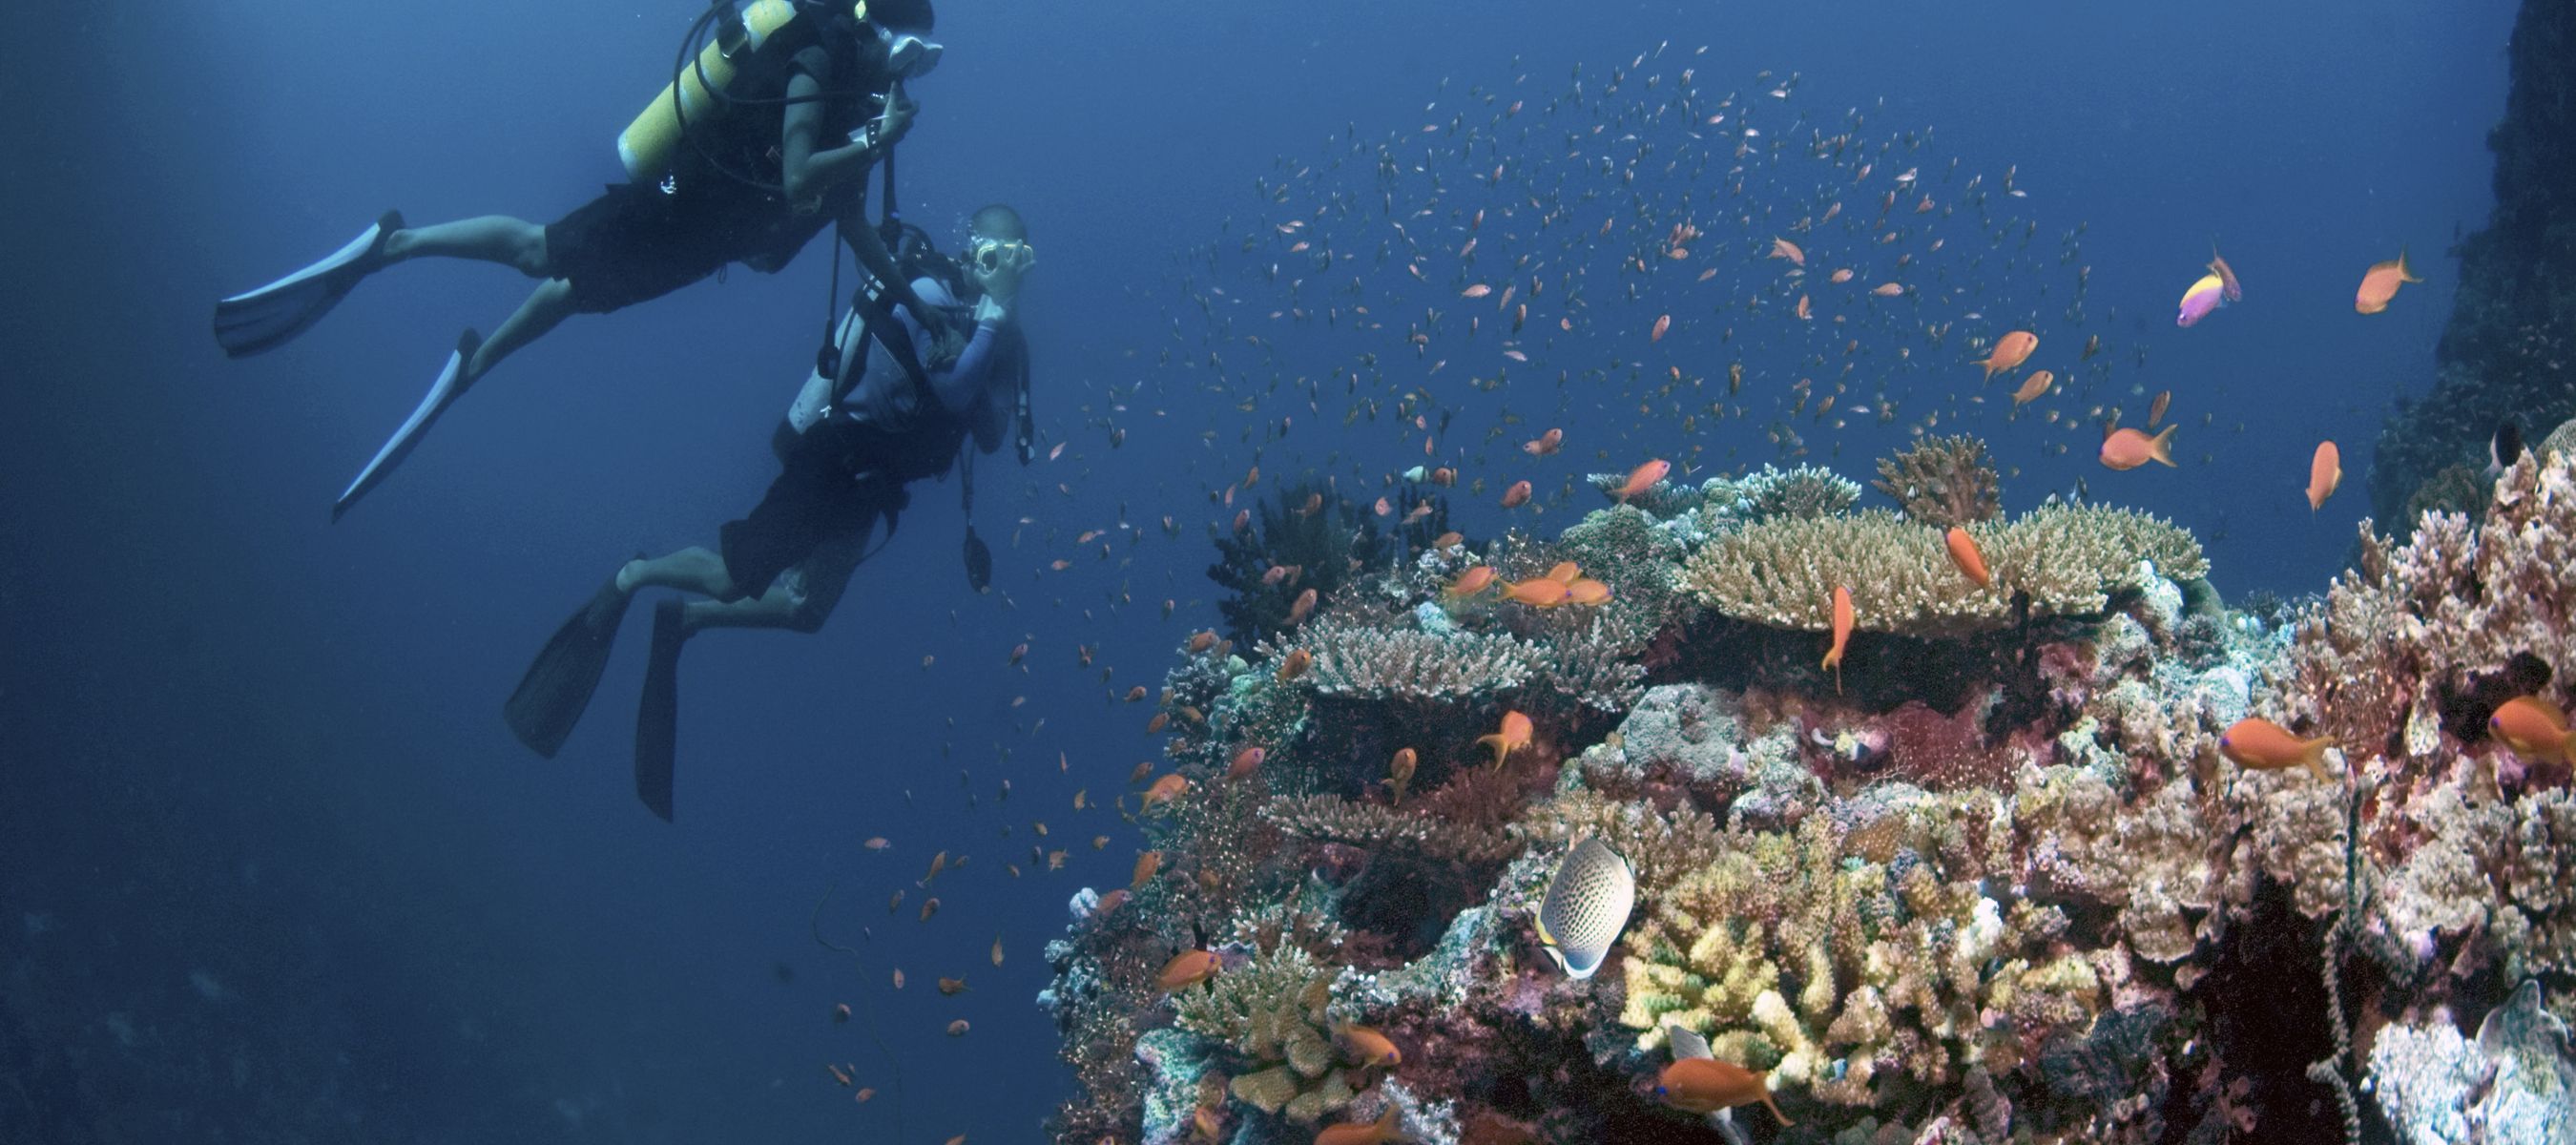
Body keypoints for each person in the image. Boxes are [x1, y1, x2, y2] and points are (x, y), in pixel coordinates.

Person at [210, 0, 955, 520]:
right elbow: (797, 176)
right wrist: (874, 141)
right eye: (906, 48)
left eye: (921, 61)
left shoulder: (863, 114)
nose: (908, 69)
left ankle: (472, 367)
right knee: (543, 252)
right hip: (681, 202)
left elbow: (854, 227)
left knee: (578, 294)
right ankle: (392, 245)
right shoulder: (819, 58)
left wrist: (920, 309)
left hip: (706, 244)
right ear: (872, 26)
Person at [503, 205, 1035, 821]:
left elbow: (991, 432)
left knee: (806, 609)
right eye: (987, 254)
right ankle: (636, 575)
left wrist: (998, 336)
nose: (994, 269)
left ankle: (685, 620)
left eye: (1011, 260)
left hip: (875, 486)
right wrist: (991, 322)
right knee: (737, 575)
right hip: (834, 458)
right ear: (969, 250)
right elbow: (949, 392)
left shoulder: (999, 335)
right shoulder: (924, 292)